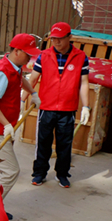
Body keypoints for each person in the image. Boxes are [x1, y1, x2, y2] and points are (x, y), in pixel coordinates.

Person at [0, 33, 41, 219]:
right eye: (27, 53)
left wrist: (33, 93)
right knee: (11, 170)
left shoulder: (15, 67)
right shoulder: (2, 73)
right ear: (16, 51)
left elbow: (21, 79)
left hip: (3, 128)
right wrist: (6, 124)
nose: (30, 57)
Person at [24, 22, 90, 188]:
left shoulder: (81, 57)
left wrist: (86, 106)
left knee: (64, 145)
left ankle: (62, 174)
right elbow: (32, 79)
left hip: (68, 109)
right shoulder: (44, 55)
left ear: (69, 37)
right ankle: (39, 173)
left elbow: (84, 83)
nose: (56, 42)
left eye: (60, 39)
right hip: (46, 107)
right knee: (43, 143)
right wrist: (21, 100)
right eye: (53, 39)